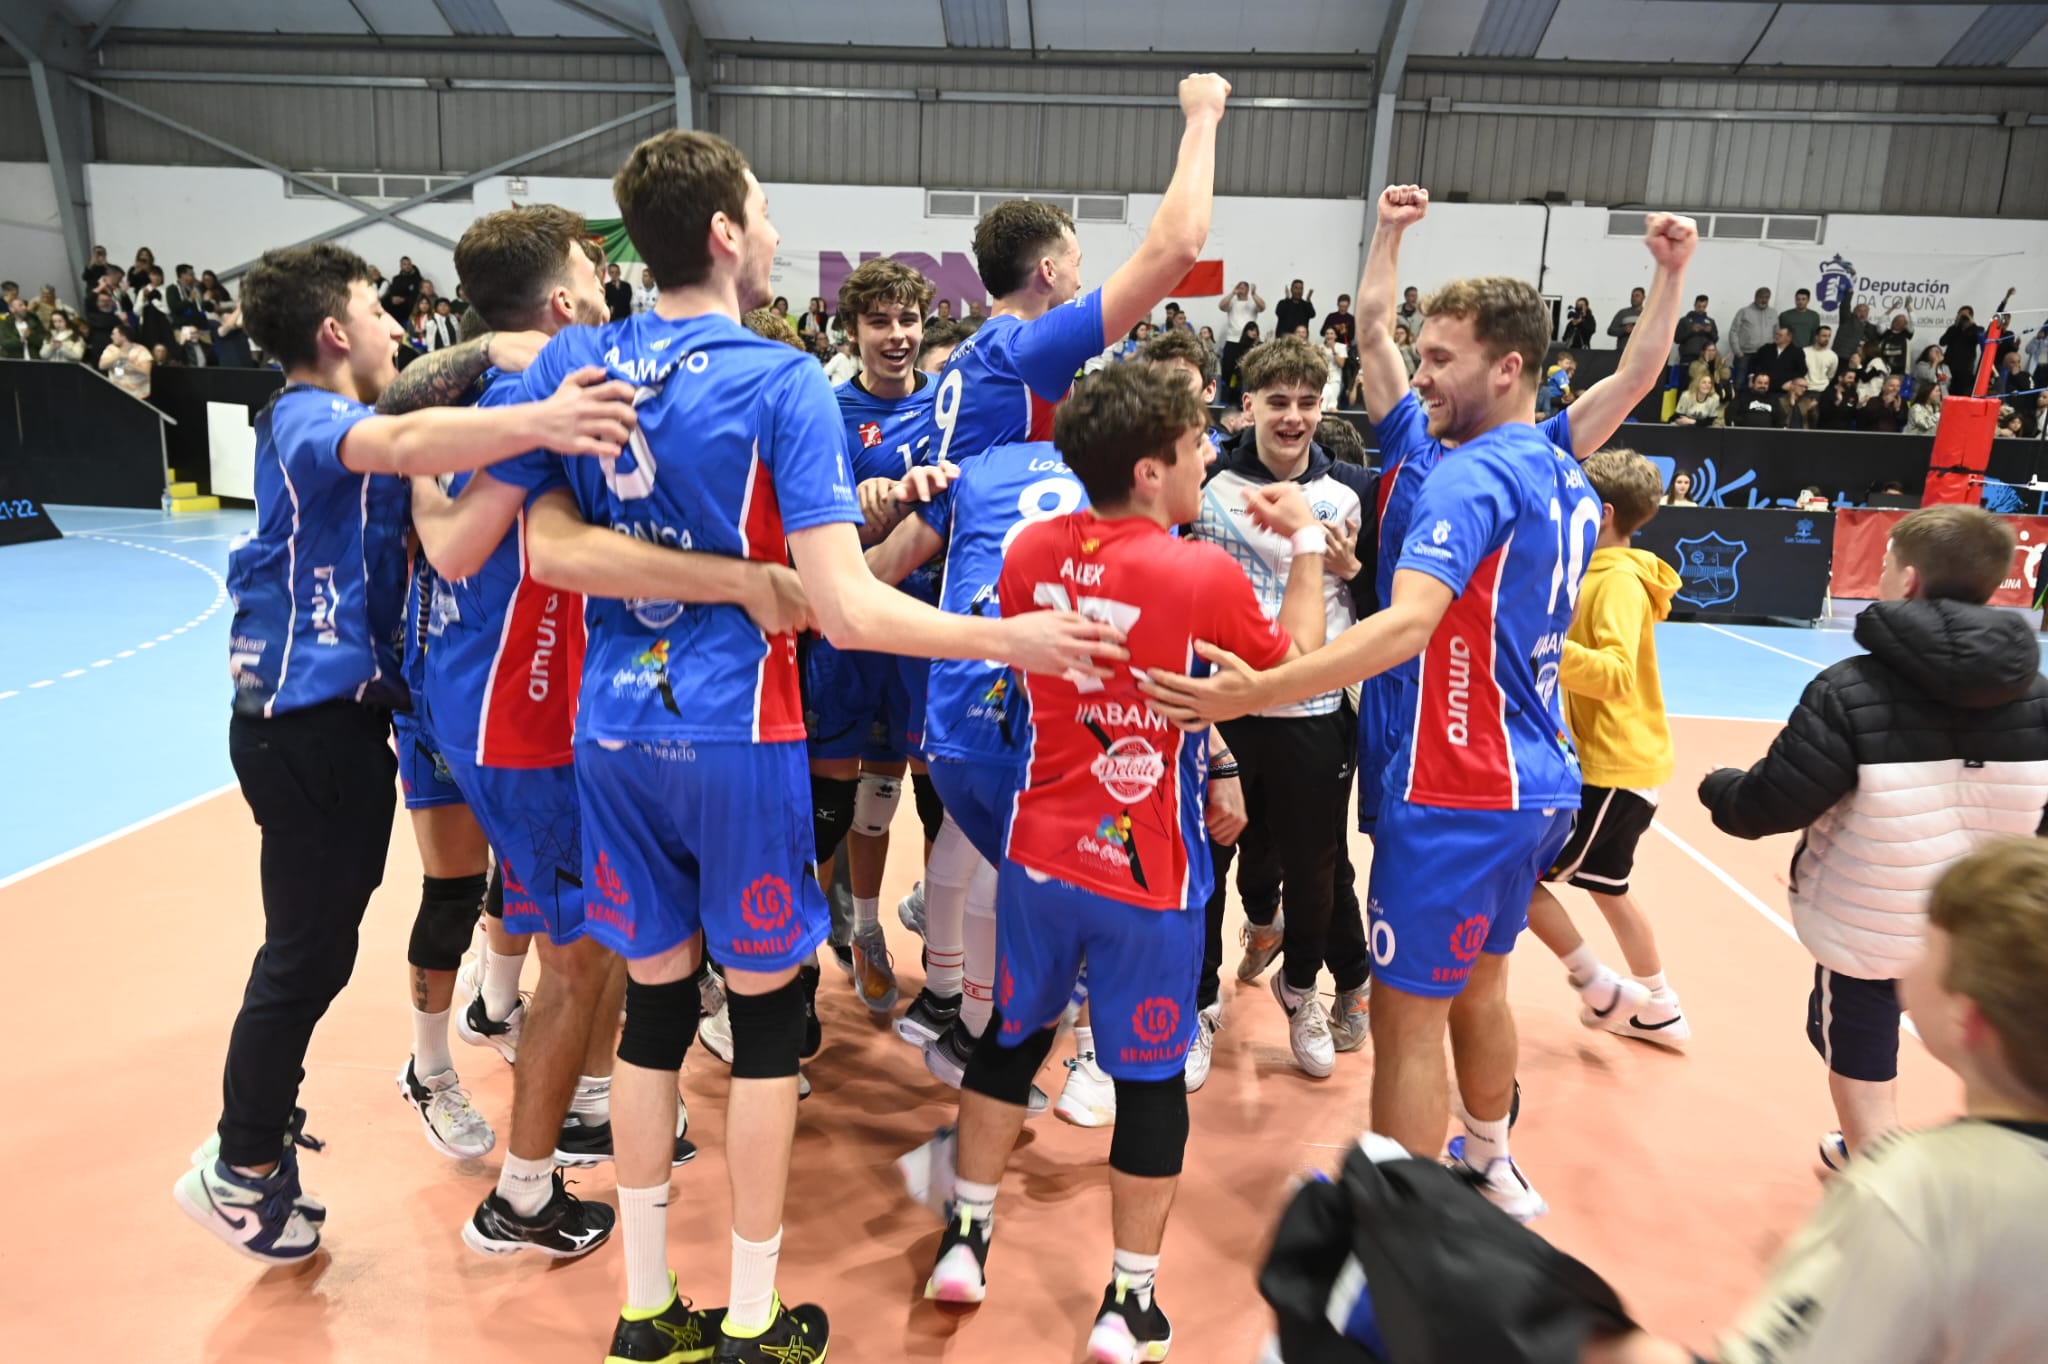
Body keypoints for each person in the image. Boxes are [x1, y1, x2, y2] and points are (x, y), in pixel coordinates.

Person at [472, 128, 1122, 1364]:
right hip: (738, 728)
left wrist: (725, 577)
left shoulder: (574, 357)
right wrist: (1014, 641)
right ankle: (759, 1313)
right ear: (722, 234)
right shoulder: (779, 383)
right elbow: (849, 607)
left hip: (612, 727)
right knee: (769, 1024)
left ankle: (648, 1307)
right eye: (763, 215)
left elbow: (546, 549)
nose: (772, 236)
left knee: (657, 1011)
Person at [1146, 183, 1697, 1223]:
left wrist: (1259, 686)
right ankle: (1487, 1158)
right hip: (1533, 780)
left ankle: (1398, 1228)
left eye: (1439, 358)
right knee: (1483, 985)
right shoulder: (1551, 458)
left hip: (1450, 781)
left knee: (1406, 1019)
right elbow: (1634, 372)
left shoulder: (1462, 479)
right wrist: (1666, 278)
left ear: (1507, 368)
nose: (1415, 371)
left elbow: (1402, 627)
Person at [171, 240, 639, 1265]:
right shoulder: (305, 418)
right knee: (301, 956)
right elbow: (408, 435)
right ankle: (239, 1162)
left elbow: (419, 405)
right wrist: (545, 416)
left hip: (333, 722)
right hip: (304, 720)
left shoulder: (357, 411)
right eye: (376, 309)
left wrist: (507, 348)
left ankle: (254, 1157)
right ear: (334, 331)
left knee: (317, 948)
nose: (394, 325)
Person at [895, 361, 1331, 1357]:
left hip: (1040, 851)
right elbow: (1297, 666)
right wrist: (1304, 541)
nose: (1208, 455)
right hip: (1148, 874)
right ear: (1147, 470)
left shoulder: (1027, 550)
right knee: (1143, 1081)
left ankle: (965, 1237)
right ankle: (1127, 1302)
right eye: (1192, 446)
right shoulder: (1197, 571)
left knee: (1010, 1041)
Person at [1698, 505, 2048, 1166]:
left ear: (1908, 580)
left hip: (1870, 921)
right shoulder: (2039, 696)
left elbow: (1768, 805)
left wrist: (1721, 785)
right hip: (1982, 923)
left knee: (1860, 1056)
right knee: (1988, 1061)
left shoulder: (1849, 691)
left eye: (1886, 565)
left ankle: (1881, 1186)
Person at [1191, 336, 1374, 1079]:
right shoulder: (1204, 487)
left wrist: (1353, 569)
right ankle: (1199, 1005)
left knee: (1316, 868)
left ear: (1322, 407)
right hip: (1225, 709)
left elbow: (1380, 604)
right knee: (1207, 864)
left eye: (1306, 402)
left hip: (1316, 713)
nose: (1293, 416)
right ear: (1247, 408)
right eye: (1277, 402)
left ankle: (1302, 995)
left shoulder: (1351, 494)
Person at [796, 256, 943, 1018]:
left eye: (908, 320)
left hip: (921, 629)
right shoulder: (822, 409)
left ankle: (877, 927)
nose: (897, 335)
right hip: (842, 635)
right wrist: (854, 506)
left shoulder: (950, 409)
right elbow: (796, 521)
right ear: (850, 331)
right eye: (879, 321)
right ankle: (796, 982)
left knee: (909, 798)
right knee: (827, 810)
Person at [1525, 449, 1689, 1046]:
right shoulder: (1598, 572)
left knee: (1515, 873)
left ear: (1606, 512)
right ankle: (1660, 1006)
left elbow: (1617, 672)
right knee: (1607, 887)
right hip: (1617, 763)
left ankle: (1601, 985)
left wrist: (1545, 649)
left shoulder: (1618, 580)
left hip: (1615, 767)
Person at [1728, 286, 1775, 388]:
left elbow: (1776, 333)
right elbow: (1733, 331)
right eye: (1761, 297)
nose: (1764, 300)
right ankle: (1736, 402)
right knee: (1739, 381)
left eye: (1767, 297)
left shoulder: (1773, 313)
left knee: (1760, 383)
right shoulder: (1744, 311)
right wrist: (1737, 351)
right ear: (1755, 297)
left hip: (1764, 355)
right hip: (1744, 354)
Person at [97, 323, 152, 398]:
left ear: (123, 337)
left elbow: (146, 371)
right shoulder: (110, 348)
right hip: (117, 394)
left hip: (138, 396)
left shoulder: (141, 350)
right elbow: (101, 366)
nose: (111, 337)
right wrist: (117, 356)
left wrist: (130, 365)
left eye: (114, 334)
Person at [1752, 325, 1805, 392]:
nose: (1776, 337)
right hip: (1763, 387)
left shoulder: (1797, 352)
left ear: (1789, 337)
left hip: (1783, 389)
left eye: (1780, 335)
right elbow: (1754, 363)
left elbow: (1802, 371)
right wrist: (1752, 377)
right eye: (1776, 334)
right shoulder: (1766, 348)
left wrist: (1792, 382)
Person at [1674, 293, 1716, 365]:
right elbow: (1677, 339)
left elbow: (1715, 339)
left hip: (1705, 357)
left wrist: (1710, 332)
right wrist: (1691, 331)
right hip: (1688, 357)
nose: (1701, 309)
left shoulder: (1711, 322)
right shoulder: (1684, 320)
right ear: (1694, 305)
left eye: (1704, 307)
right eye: (1699, 306)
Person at [1804, 325, 1838, 389]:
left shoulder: (1833, 356)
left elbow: (1830, 375)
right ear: (1816, 337)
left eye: (1829, 336)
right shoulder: (1804, 352)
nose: (1827, 339)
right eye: (1824, 336)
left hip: (1823, 389)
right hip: (1805, 388)